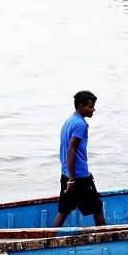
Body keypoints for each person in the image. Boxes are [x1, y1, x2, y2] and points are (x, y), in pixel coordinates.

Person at [52, 90, 106, 227]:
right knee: (97, 208)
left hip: (67, 174)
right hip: (77, 178)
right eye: (90, 106)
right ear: (80, 106)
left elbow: (69, 151)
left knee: (63, 211)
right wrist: (72, 180)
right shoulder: (80, 125)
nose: (93, 110)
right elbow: (71, 151)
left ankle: (48, 240)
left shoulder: (69, 121)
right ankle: (106, 237)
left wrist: (71, 177)